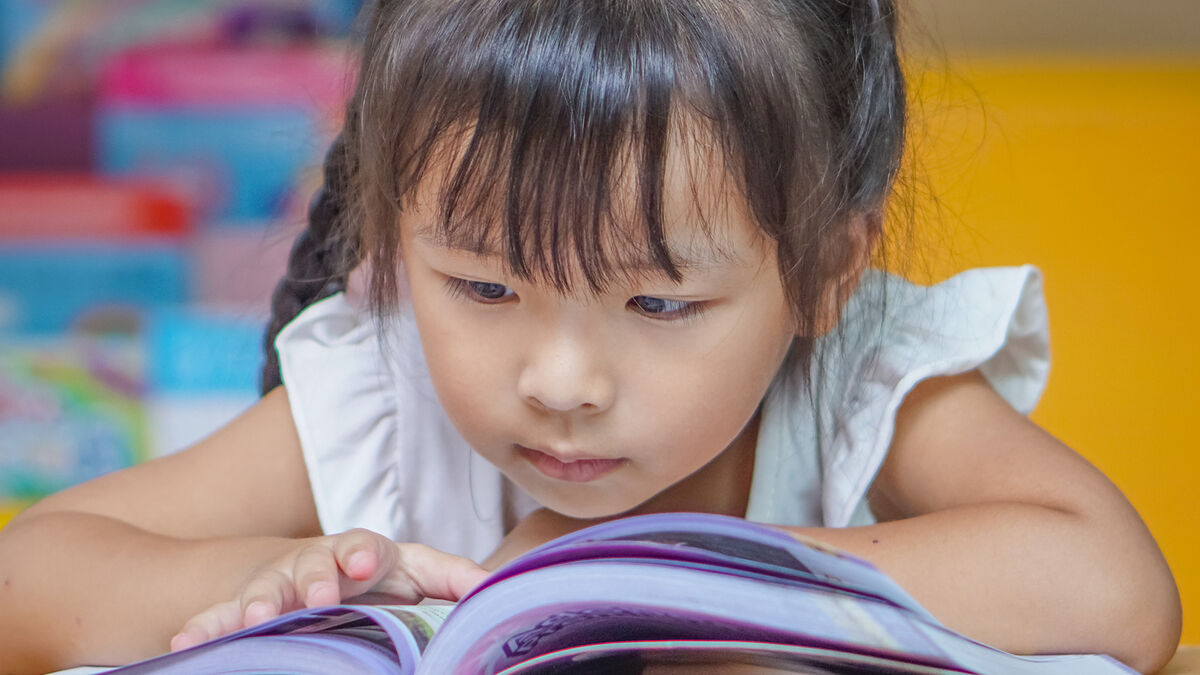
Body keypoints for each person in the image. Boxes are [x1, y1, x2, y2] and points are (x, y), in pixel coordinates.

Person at [0, 1, 1182, 673]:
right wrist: (262, 583)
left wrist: (666, 583)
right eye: (483, 287)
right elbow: (28, 579)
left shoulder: (861, 375)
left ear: (825, 267)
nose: (560, 382)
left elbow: (1115, 592)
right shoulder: (385, 385)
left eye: (660, 305)